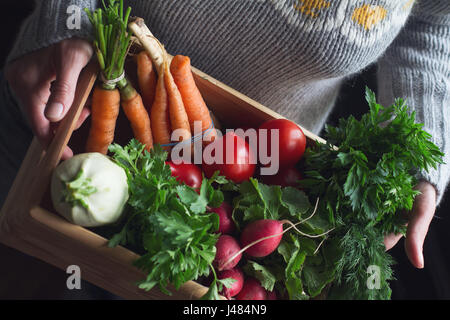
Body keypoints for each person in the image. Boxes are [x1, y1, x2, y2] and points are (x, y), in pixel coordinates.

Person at [1, 0, 449, 296]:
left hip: (267, 160)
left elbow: (432, 24)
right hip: (68, 104)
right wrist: (66, 16)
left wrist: (421, 151)